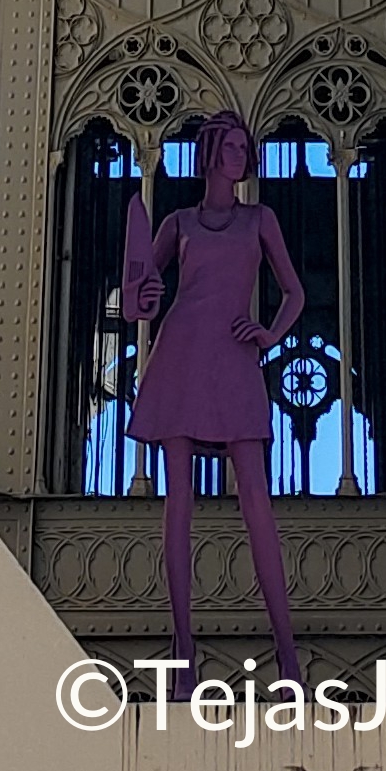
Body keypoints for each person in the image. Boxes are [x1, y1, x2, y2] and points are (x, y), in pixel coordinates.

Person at [124, 111, 306, 688]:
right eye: (230, 148)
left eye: (243, 149)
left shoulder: (260, 219)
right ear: (210, 154)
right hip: (181, 354)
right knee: (179, 502)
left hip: (233, 358)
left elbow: (293, 292)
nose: (239, 156)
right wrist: (142, 292)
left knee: (258, 505)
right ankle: (183, 651)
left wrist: (270, 335)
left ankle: (288, 653)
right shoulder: (178, 222)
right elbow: (135, 302)